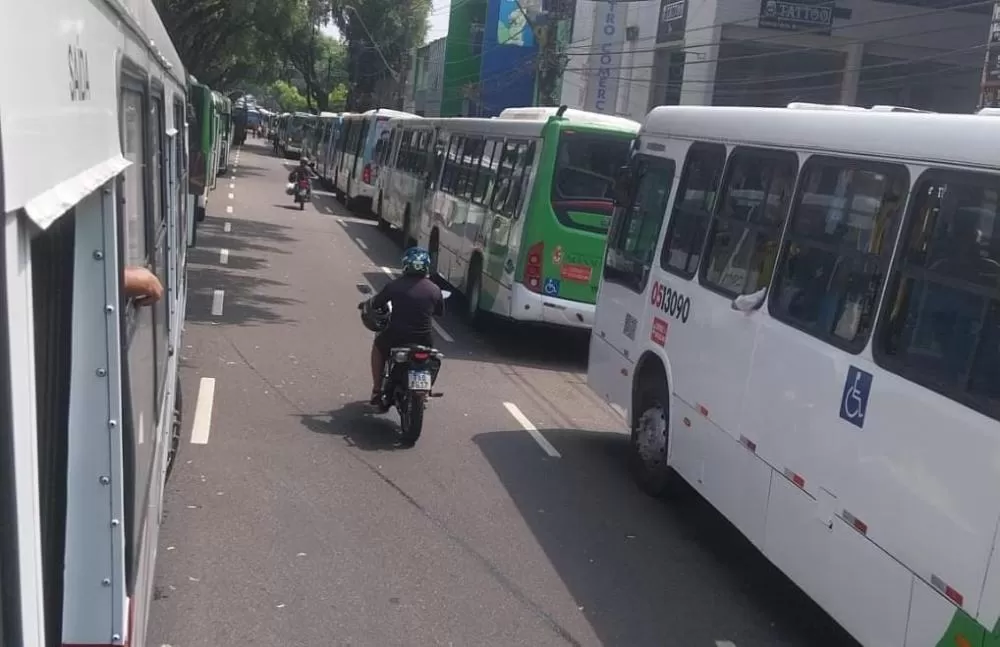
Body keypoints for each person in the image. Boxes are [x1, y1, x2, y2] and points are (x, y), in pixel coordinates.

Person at [368, 247, 443, 404]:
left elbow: (376, 303)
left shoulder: (394, 285)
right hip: (424, 339)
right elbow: (439, 312)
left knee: (378, 347)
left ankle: (376, 390)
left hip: (397, 335)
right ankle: (426, 389)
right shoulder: (435, 289)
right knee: (433, 357)